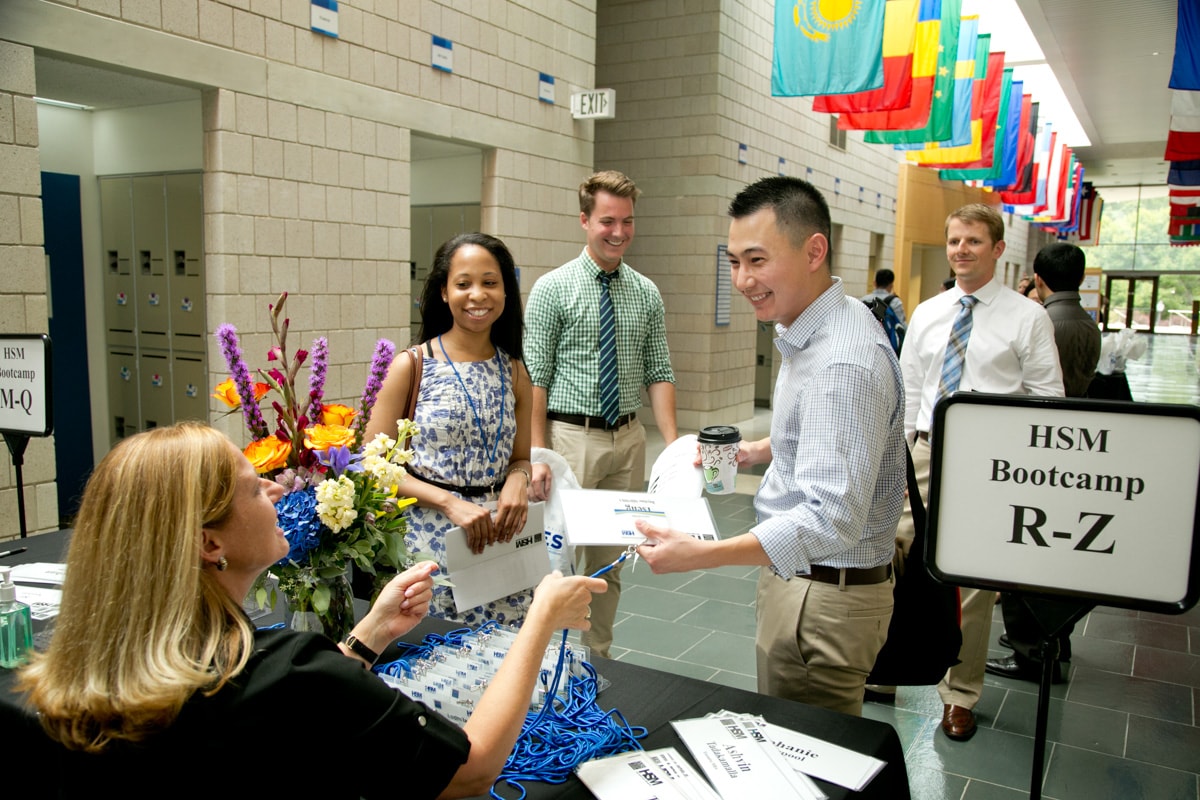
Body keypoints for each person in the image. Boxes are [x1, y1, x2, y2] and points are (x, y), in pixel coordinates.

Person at [15, 422, 604, 798]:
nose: (278, 494)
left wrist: (366, 640)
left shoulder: (87, 678)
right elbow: (469, 770)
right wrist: (538, 621)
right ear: (209, 545)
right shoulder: (290, 670)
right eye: (254, 489)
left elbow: (281, 712)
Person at [633, 176, 906, 717]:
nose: (742, 280)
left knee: (808, 752)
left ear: (814, 251)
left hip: (823, 596)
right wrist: (757, 450)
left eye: (757, 260)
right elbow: (828, 441)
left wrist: (703, 555)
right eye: (733, 262)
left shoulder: (841, 362)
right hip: (809, 582)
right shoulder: (821, 326)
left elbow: (831, 519)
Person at [898, 203, 1063, 741]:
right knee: (893, 554)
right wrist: (897, 457)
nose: (960, 250)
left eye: (972, 241)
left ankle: (960, 694)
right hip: (922, 452)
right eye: (953, 241)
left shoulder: (1027, 317)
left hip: (988, 465)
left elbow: (1048, 401)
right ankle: (884, 668)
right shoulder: (927, 312)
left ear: (997, 249)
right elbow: (911, 390)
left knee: (967, 582)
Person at [524, 170, 678, 659]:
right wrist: (537, 454)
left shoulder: (646, 292)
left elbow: (659, 371)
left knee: (610, 561)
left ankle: (598, 657)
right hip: (571, 440)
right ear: (585, 220)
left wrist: (672, 451)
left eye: (628, 221)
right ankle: (552, 661)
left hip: (627, 441)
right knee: (563, 559)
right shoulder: (553, 289)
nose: (619, 232)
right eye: (608, 221)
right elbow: (535, 378)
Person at [366, 232, 537, 626]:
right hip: (428, 549)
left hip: (501, 547)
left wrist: (518, 479)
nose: (477, 295)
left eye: (490, 283)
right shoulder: (412, 365)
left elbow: (521, 458)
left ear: (506, 292)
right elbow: (371, 468)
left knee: (505, 664)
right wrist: (447, 502)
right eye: (464, 284)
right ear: (444, 292)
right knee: (430, 661)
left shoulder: (514, 371)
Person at [987, 242, 1101, 684]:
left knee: (1022, 550)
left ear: (1038, 278)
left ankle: (1031, 648)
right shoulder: (1085, 321)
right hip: (1073, 442)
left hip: (1041, 447)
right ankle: (1051, 640)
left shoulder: (1041, 321)